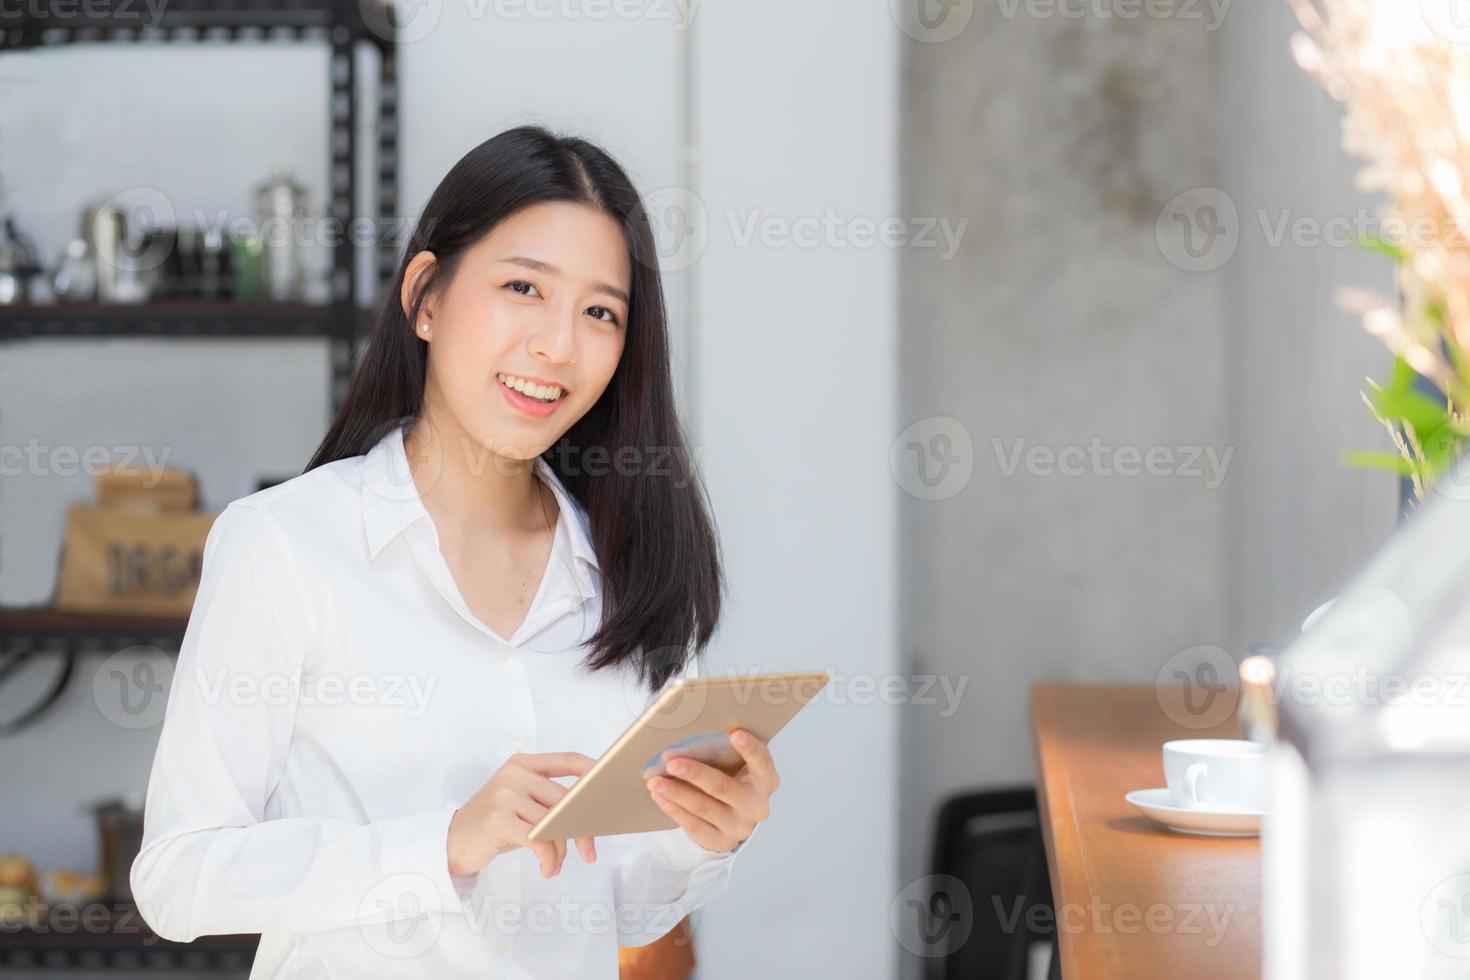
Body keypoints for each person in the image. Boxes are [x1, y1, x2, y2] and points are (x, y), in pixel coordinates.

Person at [130, 125, 779, 978]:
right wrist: (443, 844)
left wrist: (705, 837)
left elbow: (615, 904)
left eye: (600, 313)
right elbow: (179, 878)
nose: (557, 346)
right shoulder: (285, 545)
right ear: (426, 297)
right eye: (522, 287)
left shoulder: (633, 567)